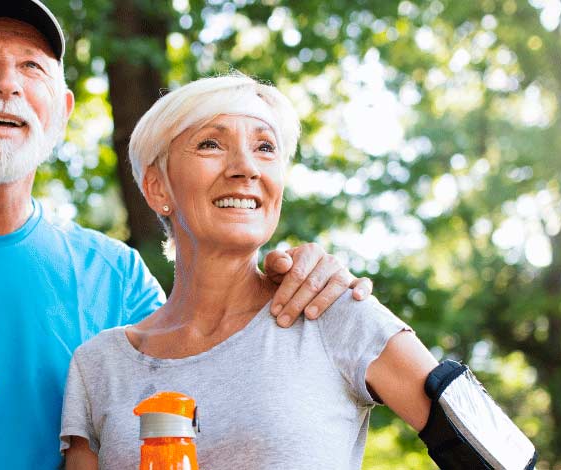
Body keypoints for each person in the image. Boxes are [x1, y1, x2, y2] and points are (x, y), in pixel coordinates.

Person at [0, 1, 374, 469]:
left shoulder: (119, 275)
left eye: (32, 67)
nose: (7, 83)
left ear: (61, 110)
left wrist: (298, 280)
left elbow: (210, 393)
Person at [60, 74, 536, 469]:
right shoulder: (100, 365)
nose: (246, 167)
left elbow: (504, 458)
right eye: (211, 144)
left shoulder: (332, 311)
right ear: (157, 187)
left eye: (265, 148)